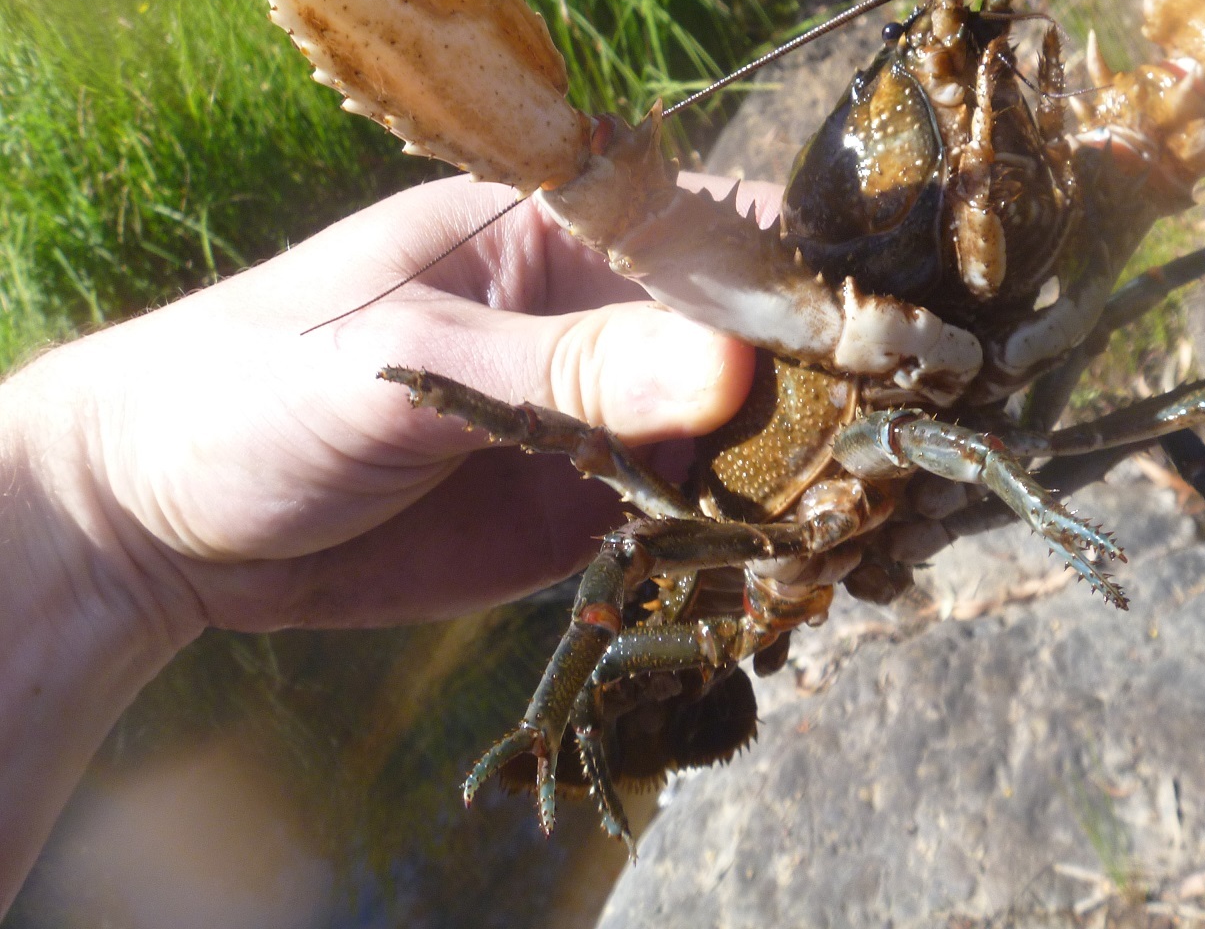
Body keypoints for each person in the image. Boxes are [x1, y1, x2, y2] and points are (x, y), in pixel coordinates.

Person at [0, 173, 765, 910]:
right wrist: (97, 494)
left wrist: (96, 498)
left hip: (724, 570)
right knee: (626, 568)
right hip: (718, 578)